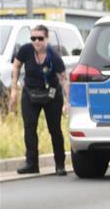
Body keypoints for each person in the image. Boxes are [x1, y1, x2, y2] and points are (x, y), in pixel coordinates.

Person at [8, 25, 68, 176]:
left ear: (47, 39)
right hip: (30, 93)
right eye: (33, 38)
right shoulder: (26, 50)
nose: (36, 41)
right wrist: (14, 89)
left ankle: (60, 164)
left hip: (51, 96)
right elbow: (16, 66)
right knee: (29, 127)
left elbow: (63, 80)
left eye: (40, 38)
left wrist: (68, 102)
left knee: (54, 129)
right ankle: (32, 163)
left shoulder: (54, 57)